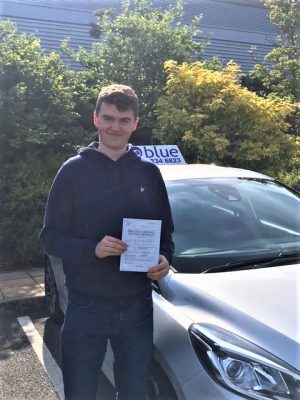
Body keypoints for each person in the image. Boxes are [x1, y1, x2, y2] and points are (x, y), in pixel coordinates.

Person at [40, 84, 174, 400]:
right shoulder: (72, 171)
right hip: (87, 307)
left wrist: (165, 259)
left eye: (123, 119)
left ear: (135, 123)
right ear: (96, 119)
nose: (116, 126)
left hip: (138, 306)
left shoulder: (149, 173)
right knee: (81, 392)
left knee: (134, 392)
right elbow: (50, 238)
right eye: (109, 118)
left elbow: (165, 232)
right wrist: (92, 249)